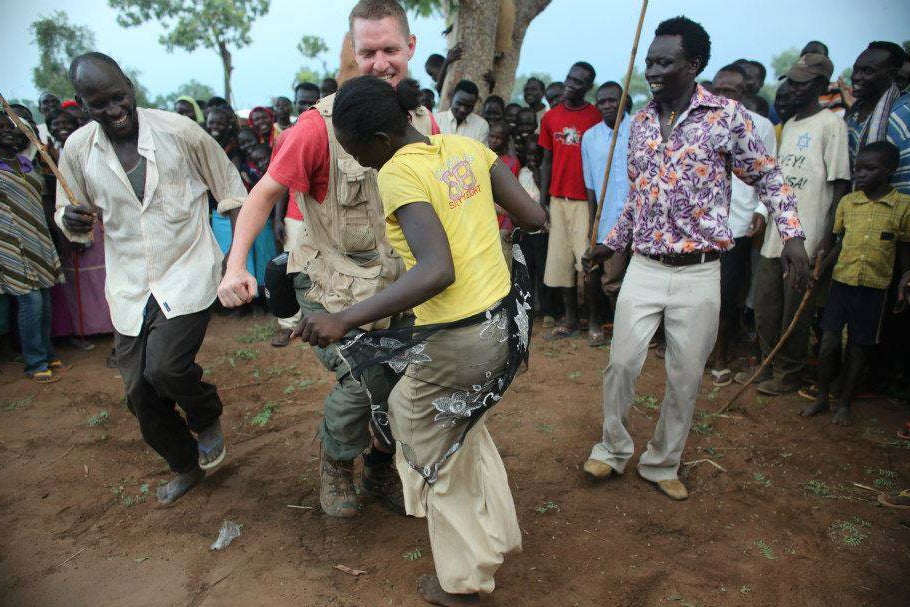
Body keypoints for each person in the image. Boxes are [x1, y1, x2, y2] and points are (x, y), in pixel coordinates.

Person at [294, 74, 546, 607]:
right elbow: (533, 216)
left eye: (354, 149)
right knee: (464, 425)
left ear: (380, 141)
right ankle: (497, 534)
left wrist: (345, 319)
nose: (356, 162)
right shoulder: (466, 148)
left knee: (426, 437)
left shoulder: (399, 173)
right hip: (503, 325)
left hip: (461, 337)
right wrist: (483, 235)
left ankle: (463, 581)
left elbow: (435, 271)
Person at [217, 0, 439, 519]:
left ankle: (380, 469)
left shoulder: (426, 120)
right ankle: (337, 462)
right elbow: (262, 195)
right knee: (366, 385)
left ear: (411, 48)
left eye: (390, 49)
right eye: (367, 52)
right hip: (332, 286)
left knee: (406, 386)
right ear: (352, 53)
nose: (380, 62)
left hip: (402, 284)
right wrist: (235, 265)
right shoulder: (317, 128)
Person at [582, 17, 809, 500]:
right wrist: (612, 242)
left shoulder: (726, 117)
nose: (653, 70)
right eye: (650, 61)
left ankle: (663, 463)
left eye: (665, 62)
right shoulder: (640, 122)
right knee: (622, 363)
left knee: (685, 376)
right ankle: (612, 449)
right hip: (644, 266)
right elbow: (637, 198)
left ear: (694, 65)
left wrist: (791, 236)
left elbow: (768, 177)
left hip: (701, 271)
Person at [54, 52, 246, 505]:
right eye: (99, 104)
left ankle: (206, 412)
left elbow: (233, 193)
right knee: (139, 392)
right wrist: (72, 220)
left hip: (188, 268)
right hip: (130, 282)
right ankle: (185, 463)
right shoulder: (78, 149)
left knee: (166, 368)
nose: (114, 110)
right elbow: (67, 209)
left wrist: (235, 265)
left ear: (131, 86)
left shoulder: (181, 133)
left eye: (119, 97)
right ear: (83, 104)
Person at [739, 53, 851, 396]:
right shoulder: (789, 125)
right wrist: (762, 211)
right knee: (767, 304)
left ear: (819, 85)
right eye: (792, 81)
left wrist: (826, 240)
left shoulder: (832, 126)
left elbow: (840, 184)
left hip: (807, 234)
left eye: (802, 83)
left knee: (795, 310)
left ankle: (789, 373)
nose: (793, 88)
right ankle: (768, 362)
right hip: (777, 231)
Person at [801, 142, 910, 425]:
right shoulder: (848, 203)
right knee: (828, 343)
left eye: (869, 169)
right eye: (858, 168)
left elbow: (903, 250)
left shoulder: (902, 207)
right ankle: (822, 397)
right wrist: (821, 269)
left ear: (890, 170)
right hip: (841, 284)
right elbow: (839, 243)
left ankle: (844, 403)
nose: (860, 175)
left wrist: (904, 280)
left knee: (859, 348)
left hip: (874, 290)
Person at [708, 63, 776, 386]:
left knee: (726, 294)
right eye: (717, 89)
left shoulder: (760, 126)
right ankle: (697, 353)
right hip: (701, 223)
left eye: (729, 91)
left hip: (736, 224)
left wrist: (762, 210)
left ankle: (721, 355)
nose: (720, 96)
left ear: (745, 93)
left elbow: (767, 173)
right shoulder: (699, 121)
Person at [44, 108, 116, 354]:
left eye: (67, 122)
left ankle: (115, 330)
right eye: (56, 123)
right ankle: (81, 330)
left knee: (103, 278)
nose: (60, 127)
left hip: (95, 219)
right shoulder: (49, 152)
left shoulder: (88, 150)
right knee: (77, 281)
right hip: (67, 220)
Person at [0, 114, 66, 383]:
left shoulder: (28, 163)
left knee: (46, 301)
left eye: (10, 127)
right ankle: (34, 361)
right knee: (31, 301)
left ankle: (48, 354)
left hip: (37, 237)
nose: (7, 131)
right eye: (1, 128)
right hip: (10, 243)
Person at [538, 61, 601, 339]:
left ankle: (595, 320)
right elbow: (546, 160)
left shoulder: (596, 116)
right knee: (561, 261)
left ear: (588, 87)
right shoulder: (551, 117)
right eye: (569, 78)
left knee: (587, 261)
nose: (570, 85)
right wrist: (543, 201)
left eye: (578, 82)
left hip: (584, 200)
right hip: (558, 198)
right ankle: (570, 318)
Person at [580, 81, 631, 347]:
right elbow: (590, 185)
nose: (609, 105)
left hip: (643, 221)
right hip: (610, 220)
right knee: (611, 278)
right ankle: (613, 327)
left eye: (614, 100)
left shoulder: (640, 130)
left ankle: (643, 333)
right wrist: (592, 222)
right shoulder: (590, 137)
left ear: (624, 100)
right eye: (603, 101)